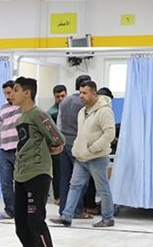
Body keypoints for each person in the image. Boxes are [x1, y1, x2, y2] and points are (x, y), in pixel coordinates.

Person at [8, 77, 65, 247]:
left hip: (38, 174)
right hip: (21, 174)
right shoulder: (20, 119)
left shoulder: (39, 114)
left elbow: (58, 138)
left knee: (35, 220)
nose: (11, 94)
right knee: (21, 223)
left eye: (15, 90)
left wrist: (52, 149)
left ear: (27, 93)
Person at [52, 80, 116, 228]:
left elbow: (109, 134)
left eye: (84, 93)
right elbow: (81, 133)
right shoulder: (82, 111)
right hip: (81, 157)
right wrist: (77, 148)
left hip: (97, 157)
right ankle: (67, 216)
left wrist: (93, 148)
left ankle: (108, 217)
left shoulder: (104, 111)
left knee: (102, 188)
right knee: (74, 186)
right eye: (80, 92)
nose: (81, 96)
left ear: (94, 93)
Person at [57, 74, 92, 218]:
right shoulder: (84, 103)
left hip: (64, 142)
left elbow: (59, 124)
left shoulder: (64, 101)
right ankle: (77, 210)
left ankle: (63, 209)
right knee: (80, 180)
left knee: (65, 179)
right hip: (78, 144)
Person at [0, 80, 20, 221]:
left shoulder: (22, 107)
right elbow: (2, 126)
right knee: (5, 183)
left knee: (20, 183)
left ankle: (21, 210)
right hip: (4, 150)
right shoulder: (3, 109)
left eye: (9, 93)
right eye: (5, 94)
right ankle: (10, 210)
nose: (8, 96)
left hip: (18, 150)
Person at [46, 84, 67, 205]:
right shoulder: (50, 113)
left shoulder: (70, 109)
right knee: (57, 172)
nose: (60, 99)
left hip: (69, 145)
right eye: (58, 96)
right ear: (54, 97)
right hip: (56, 147)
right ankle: (58, 196)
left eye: (63, 96)